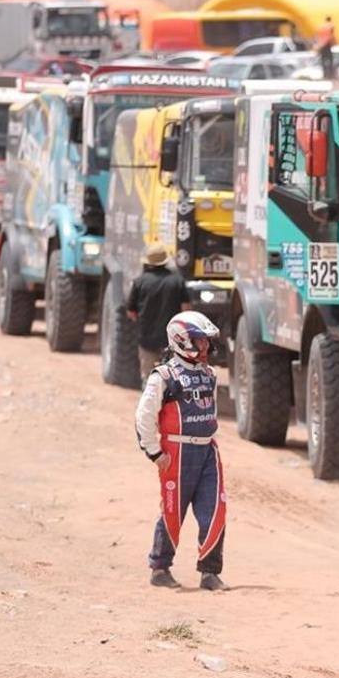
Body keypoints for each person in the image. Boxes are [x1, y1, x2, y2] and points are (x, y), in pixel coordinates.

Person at [135, 311, 228, 591]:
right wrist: (154, 452)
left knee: (215, 510)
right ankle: (160, 567)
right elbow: (144, 416)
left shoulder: (209, 375)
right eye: (199, 342)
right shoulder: (164, 376)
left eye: (206, 343)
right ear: (181, 341)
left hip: (207, 452)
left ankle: (210, 572)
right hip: (176, 453)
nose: (205, 348)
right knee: (173, 512)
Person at [126, 242, 191, 376]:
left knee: (148, 378)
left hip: (146, 339)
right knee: (174, 377)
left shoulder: (139, 282)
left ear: (148, 262)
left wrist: (139, 321)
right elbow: (186, 311)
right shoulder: (177, 281)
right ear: (165, 261)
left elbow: (131, 313)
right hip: (172, 340)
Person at [316, 15, 336, 80]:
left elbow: (318, 36)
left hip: (322, 45)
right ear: (330, 20)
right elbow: (332, 35)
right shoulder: (330, 25)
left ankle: (325, 74)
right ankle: (330, 75)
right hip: (327, 45)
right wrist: (333, 42)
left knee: (323, 61)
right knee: (330, 60)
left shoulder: (321, 27)